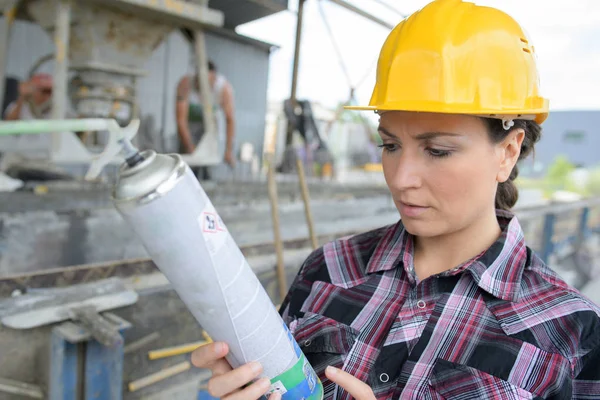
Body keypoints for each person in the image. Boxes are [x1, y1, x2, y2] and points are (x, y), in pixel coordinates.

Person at [190, 1, 600, 399]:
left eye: (437, 151)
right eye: (390, 144)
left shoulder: (570, 330)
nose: (401, 179)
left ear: (509, 150)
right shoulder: (328, 270)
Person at [176, 60, 235, 180]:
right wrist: (189, 147)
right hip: (189, 130)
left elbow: (230, 120)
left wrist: (228, 151)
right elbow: (181, 120)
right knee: (186, 172)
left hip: (210, 131)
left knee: (207, 171)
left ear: (214, 77)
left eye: (210, 82)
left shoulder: (224, 89)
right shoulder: (186, 84)